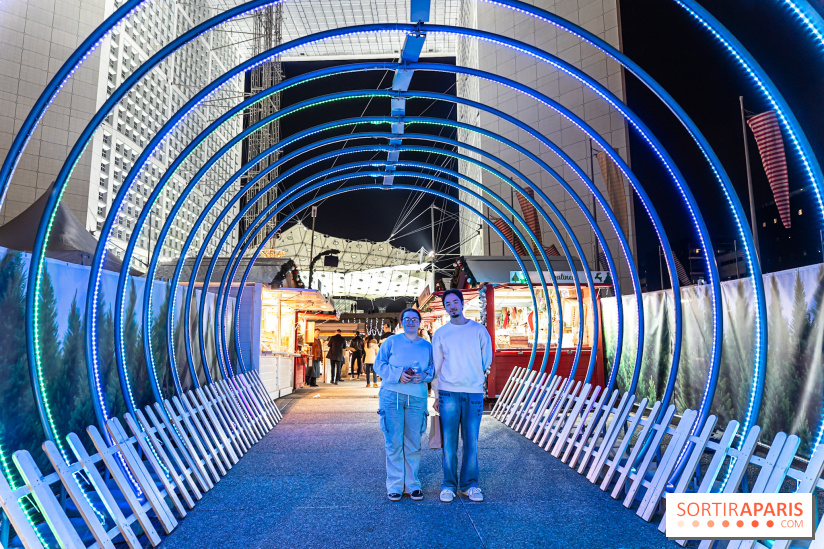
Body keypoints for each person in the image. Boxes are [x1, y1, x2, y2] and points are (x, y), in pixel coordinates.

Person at [432, 289, 492, 503]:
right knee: (449, 443)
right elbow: (437, 366)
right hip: (448, 392)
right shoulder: (441, 333)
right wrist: (436, 395)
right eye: (448, 304)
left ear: (462, 303)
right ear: (445, 308)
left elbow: (487, 359)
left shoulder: (479, 330)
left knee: (471, 442)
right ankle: (448, 485)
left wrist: (475, 377)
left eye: (455, 302)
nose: (452, 306)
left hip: (473, 392)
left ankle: (469, 485)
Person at [373, 308, 434, 502]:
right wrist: (398, 374)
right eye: (406, 319)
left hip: (417, 397)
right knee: (393, 442)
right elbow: (378, 364)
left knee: (413, 442)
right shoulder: (391, 342)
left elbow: (434, 368)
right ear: (401, 322)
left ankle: (413, 485)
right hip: (392, 396)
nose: (410, 322)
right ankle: (395, 485)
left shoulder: (427, 346)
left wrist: (424, 375)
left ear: (419, 322)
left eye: (414, 319)